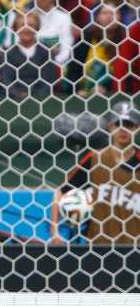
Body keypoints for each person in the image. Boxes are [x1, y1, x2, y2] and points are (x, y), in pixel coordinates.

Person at [50, 103, 140, 245]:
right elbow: (61, 192)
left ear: (137, 128)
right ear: (110, 127)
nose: (123, 129)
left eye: (129, 125)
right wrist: (55, 232)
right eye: (119, 124)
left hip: (135, 249)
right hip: (97, 249)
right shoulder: (95, 159)